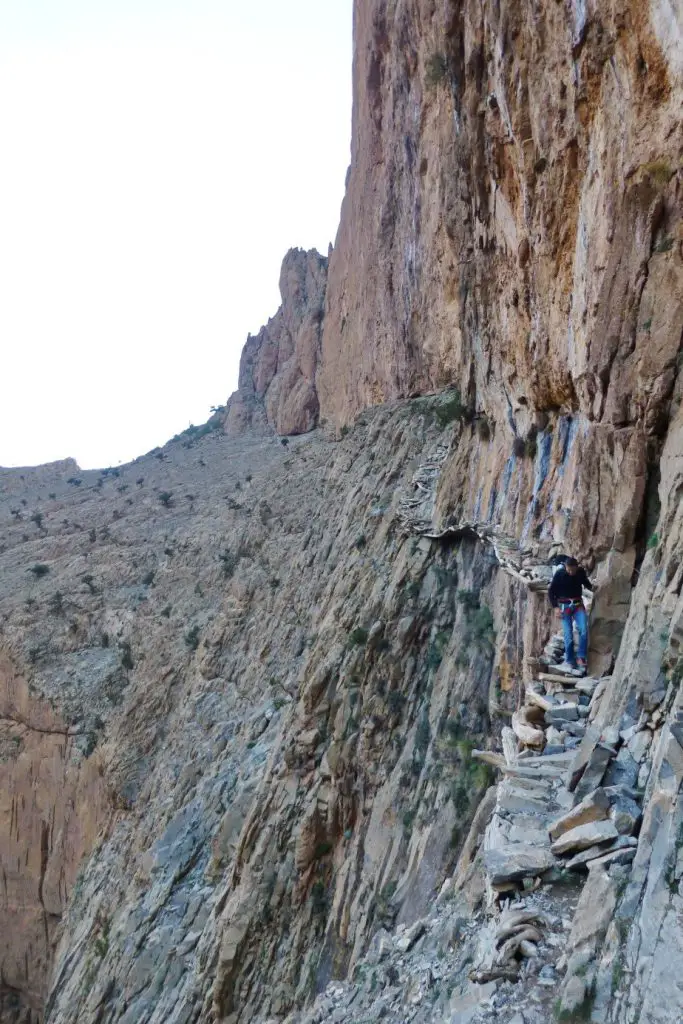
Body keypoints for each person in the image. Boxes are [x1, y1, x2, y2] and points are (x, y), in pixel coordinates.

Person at [548, 557, 594, 675]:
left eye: (572, 570)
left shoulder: (580, 573)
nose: (570, 572)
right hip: (564, 606)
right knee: (568, 634)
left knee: (583, 629)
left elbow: (586, 583)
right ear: (565, 567)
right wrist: (555, 607)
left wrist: (595, 588)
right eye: (568, 570)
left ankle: (581, 657)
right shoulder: (560, 574)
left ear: (576, 567)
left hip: (578, 604)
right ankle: (569, 660)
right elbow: (551, 591)